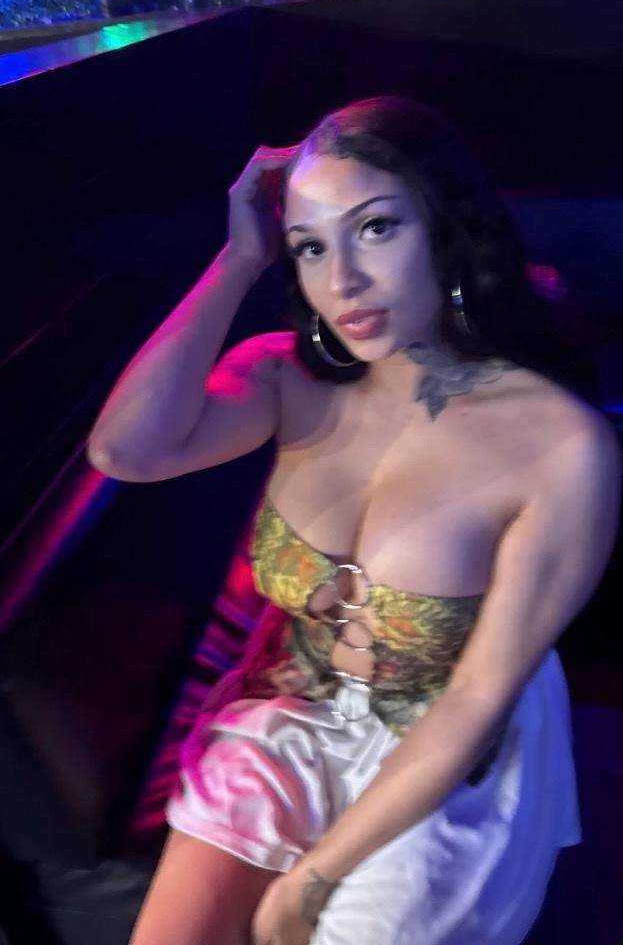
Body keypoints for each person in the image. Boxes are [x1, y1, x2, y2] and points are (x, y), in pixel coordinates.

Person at [87, 96, 620, 945]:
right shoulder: (285, 378)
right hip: (288, 716)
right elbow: (125, 451)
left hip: (449, 755)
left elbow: (477, 696)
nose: (341, 283)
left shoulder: (562, 447)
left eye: (374, 229)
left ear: (443, 225)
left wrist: (311, 880)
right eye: (310, 245)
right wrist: (237, 258)